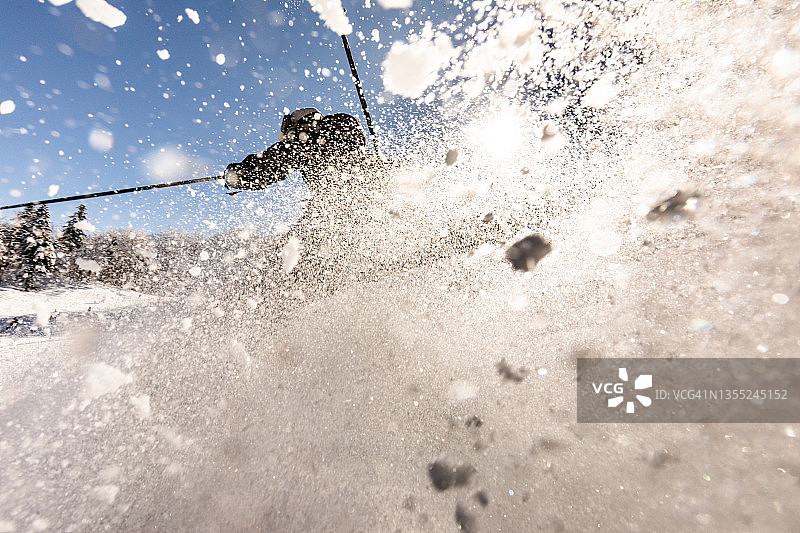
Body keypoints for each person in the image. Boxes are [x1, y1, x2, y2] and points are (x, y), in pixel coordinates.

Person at [223, 108, 372, 191]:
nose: (289, 139)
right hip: (354, 191)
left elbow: (273, 164)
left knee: (297, 241)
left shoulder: (306, 144)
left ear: (303, 126)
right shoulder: (308, 149)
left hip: (344, 198)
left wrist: (242, 174)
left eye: (290, 133)